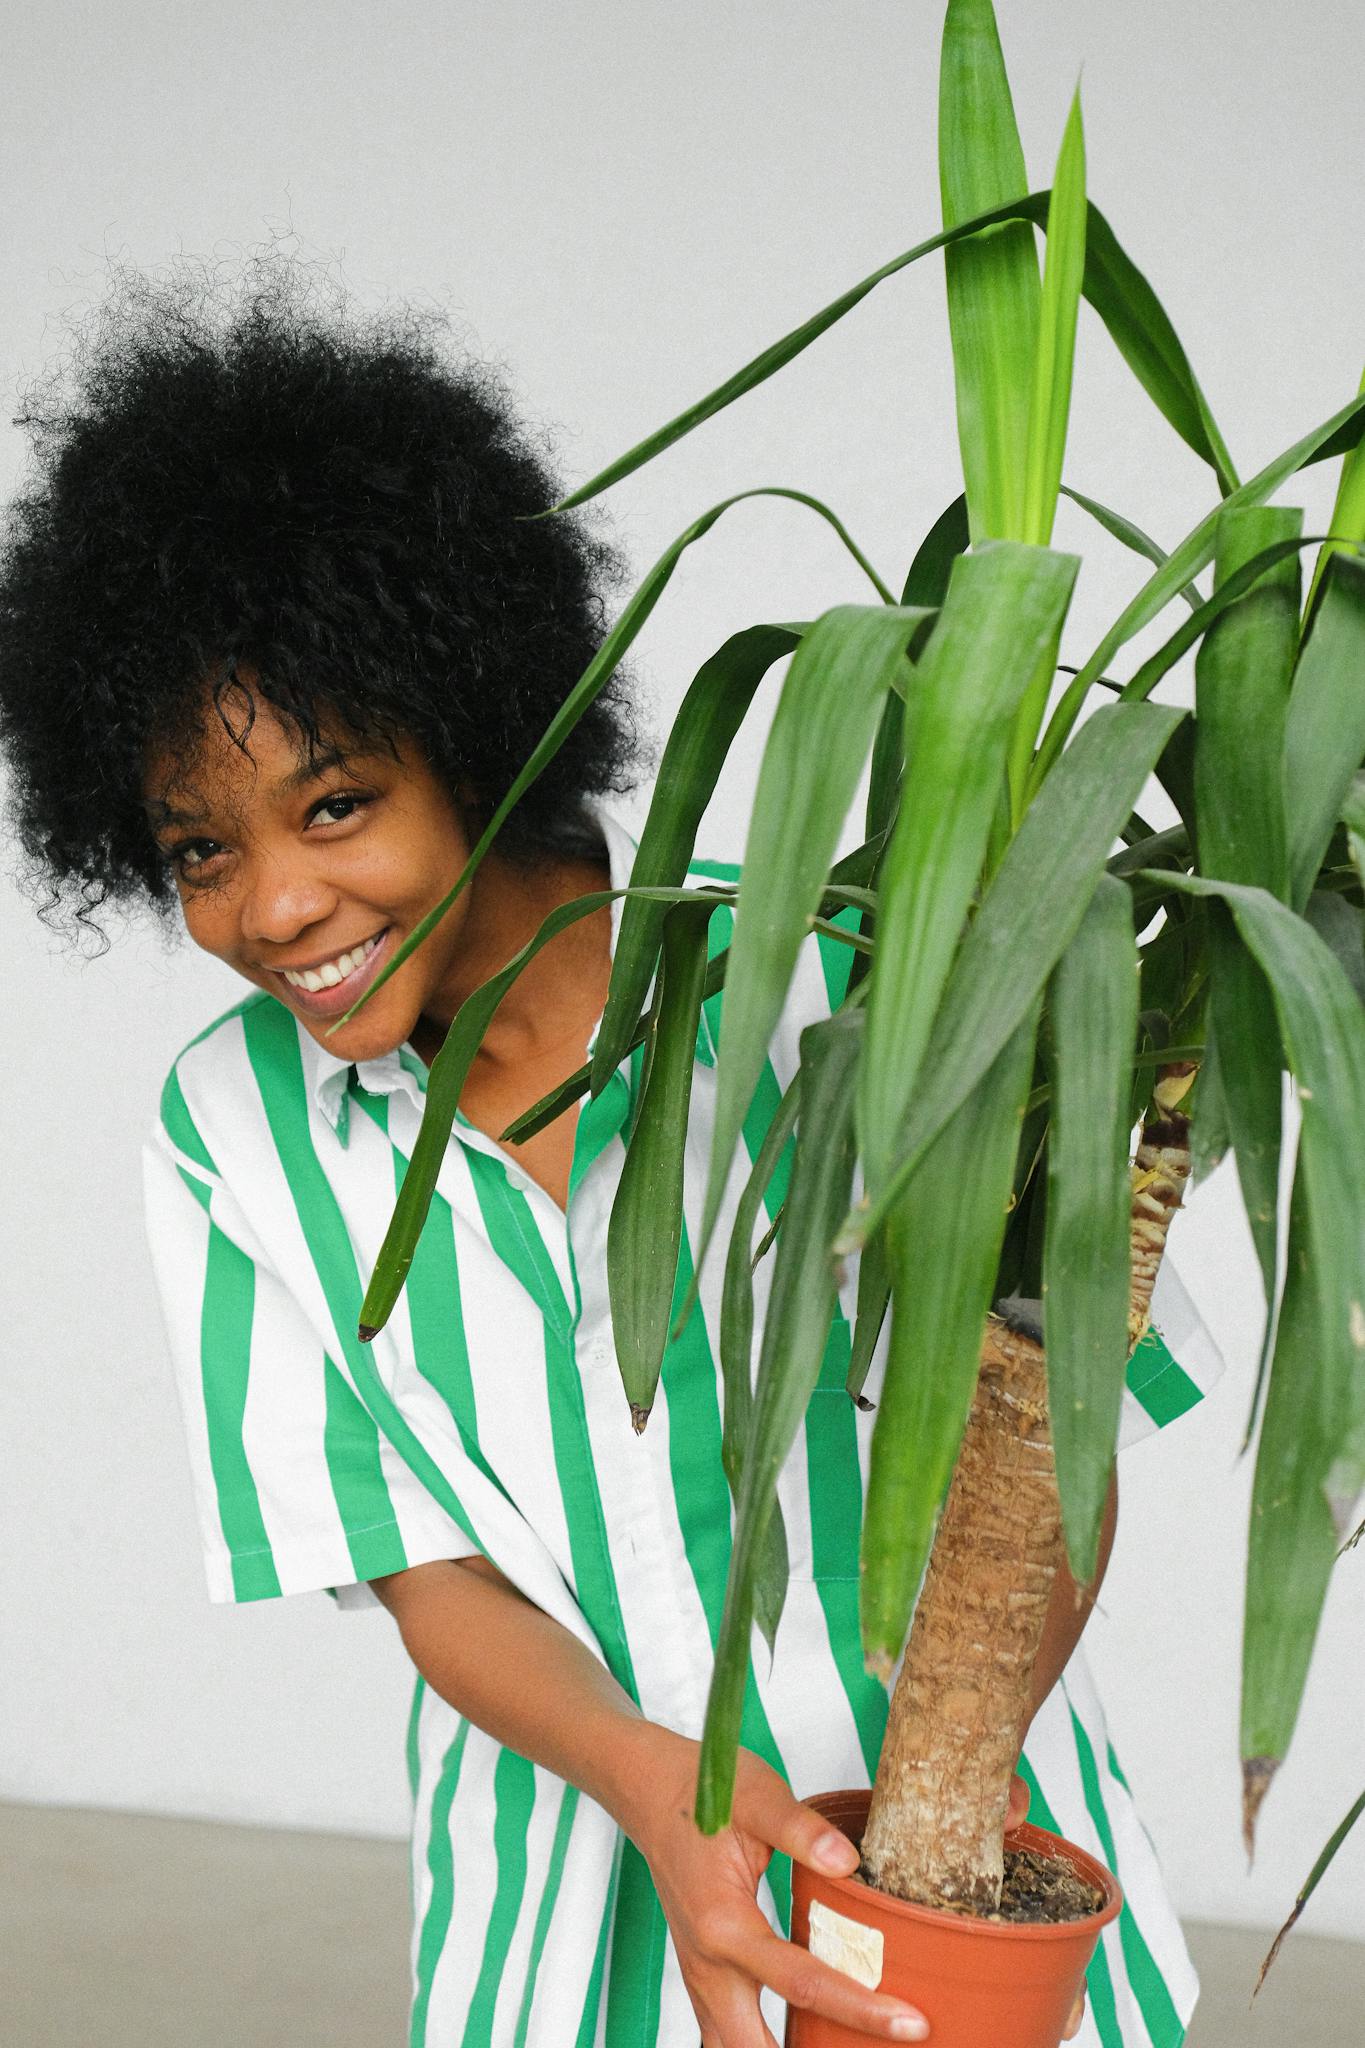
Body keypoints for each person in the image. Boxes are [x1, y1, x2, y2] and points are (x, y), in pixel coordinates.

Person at [0, 259, 1220, 2048]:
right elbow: (423, 1568)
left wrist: (911, 1849)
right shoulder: (232, 1127)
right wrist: (660, 1788)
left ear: (478, 721)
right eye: (196, 849)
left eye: (335, 802)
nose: (273, 905)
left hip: (972, 1906)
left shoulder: (849, 979)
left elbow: (1056, 1446)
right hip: (555, 1956)